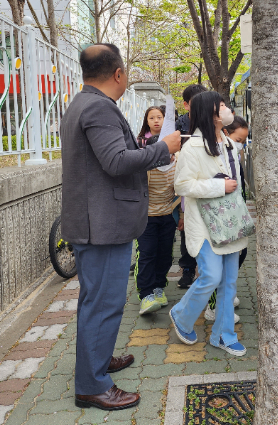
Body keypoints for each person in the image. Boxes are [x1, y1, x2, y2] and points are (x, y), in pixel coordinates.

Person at [61, 43, 181, 411]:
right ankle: (92, 385)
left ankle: (97, 361)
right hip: (102, 226)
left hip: (96, 222)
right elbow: (115, 161)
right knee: (104, 302)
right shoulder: (98, 107)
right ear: (118, 74)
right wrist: (164, 147)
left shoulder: (82, 102)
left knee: (95, 301)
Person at [170, 91, 248, 357]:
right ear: (209, 113)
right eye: (222, 106)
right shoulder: (192, 147)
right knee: (212, 276)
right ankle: (181, 315)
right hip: (205, 225)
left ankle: (223, 335)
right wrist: (218, 186)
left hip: (228, 222)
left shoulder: (227, 142)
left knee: (229, 281)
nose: (227, 110)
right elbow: (181, 184)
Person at [203, 115, 251, 323]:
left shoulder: (231, 155)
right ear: (225, 134)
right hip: (220, 219)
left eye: (243, 141)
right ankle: (213, 307)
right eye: (238, 140)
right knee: (219, 266)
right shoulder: (215, 156)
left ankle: (225, 297)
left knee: (239, 255)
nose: (241, 145)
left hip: (234, 217)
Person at [134, 106, 178, 316]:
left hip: (167, 216)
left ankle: (159, 287)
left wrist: (182, 214)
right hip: (146, 219)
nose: (167, 160)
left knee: (165, 256)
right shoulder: (145, 171)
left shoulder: (176, 165)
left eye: (169, 155)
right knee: (147, 254)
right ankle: (146, 294)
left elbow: (182, 191)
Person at [175, 84, 207, 289]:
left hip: (208, 182)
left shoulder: (213, 122)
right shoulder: (180, 124)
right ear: (186, 105)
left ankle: (206, 271)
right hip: (187, 182)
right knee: (186, 228)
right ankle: (187, 269)